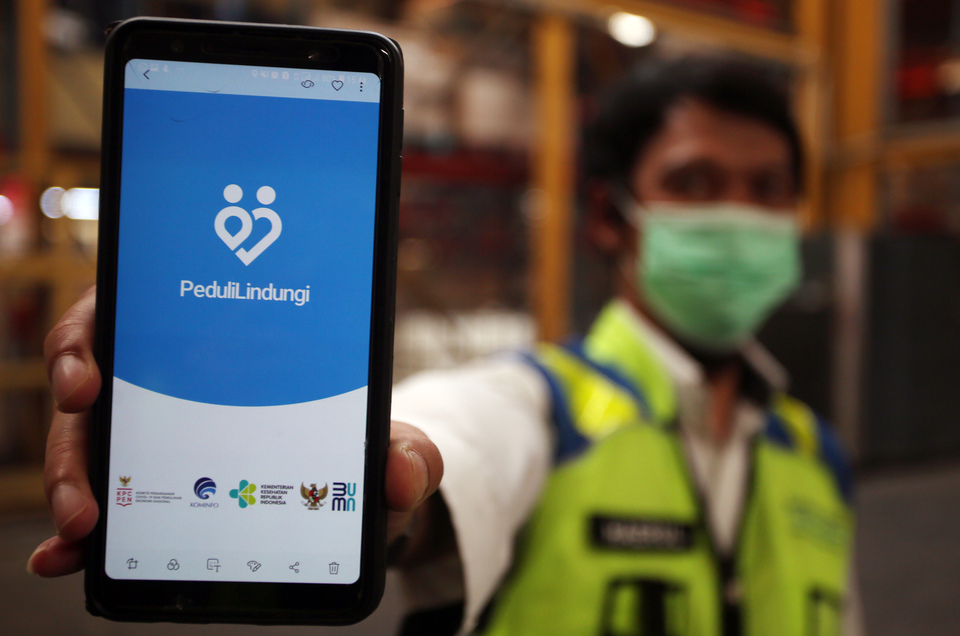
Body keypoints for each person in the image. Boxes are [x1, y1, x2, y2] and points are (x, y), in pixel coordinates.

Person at [32, 55, 859, 635]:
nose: (738, 218)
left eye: (769, 191)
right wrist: (381, 481)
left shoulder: (815, 452)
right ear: (609, 218)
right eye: (694, 184)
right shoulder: (535, 408)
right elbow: (445, 453)